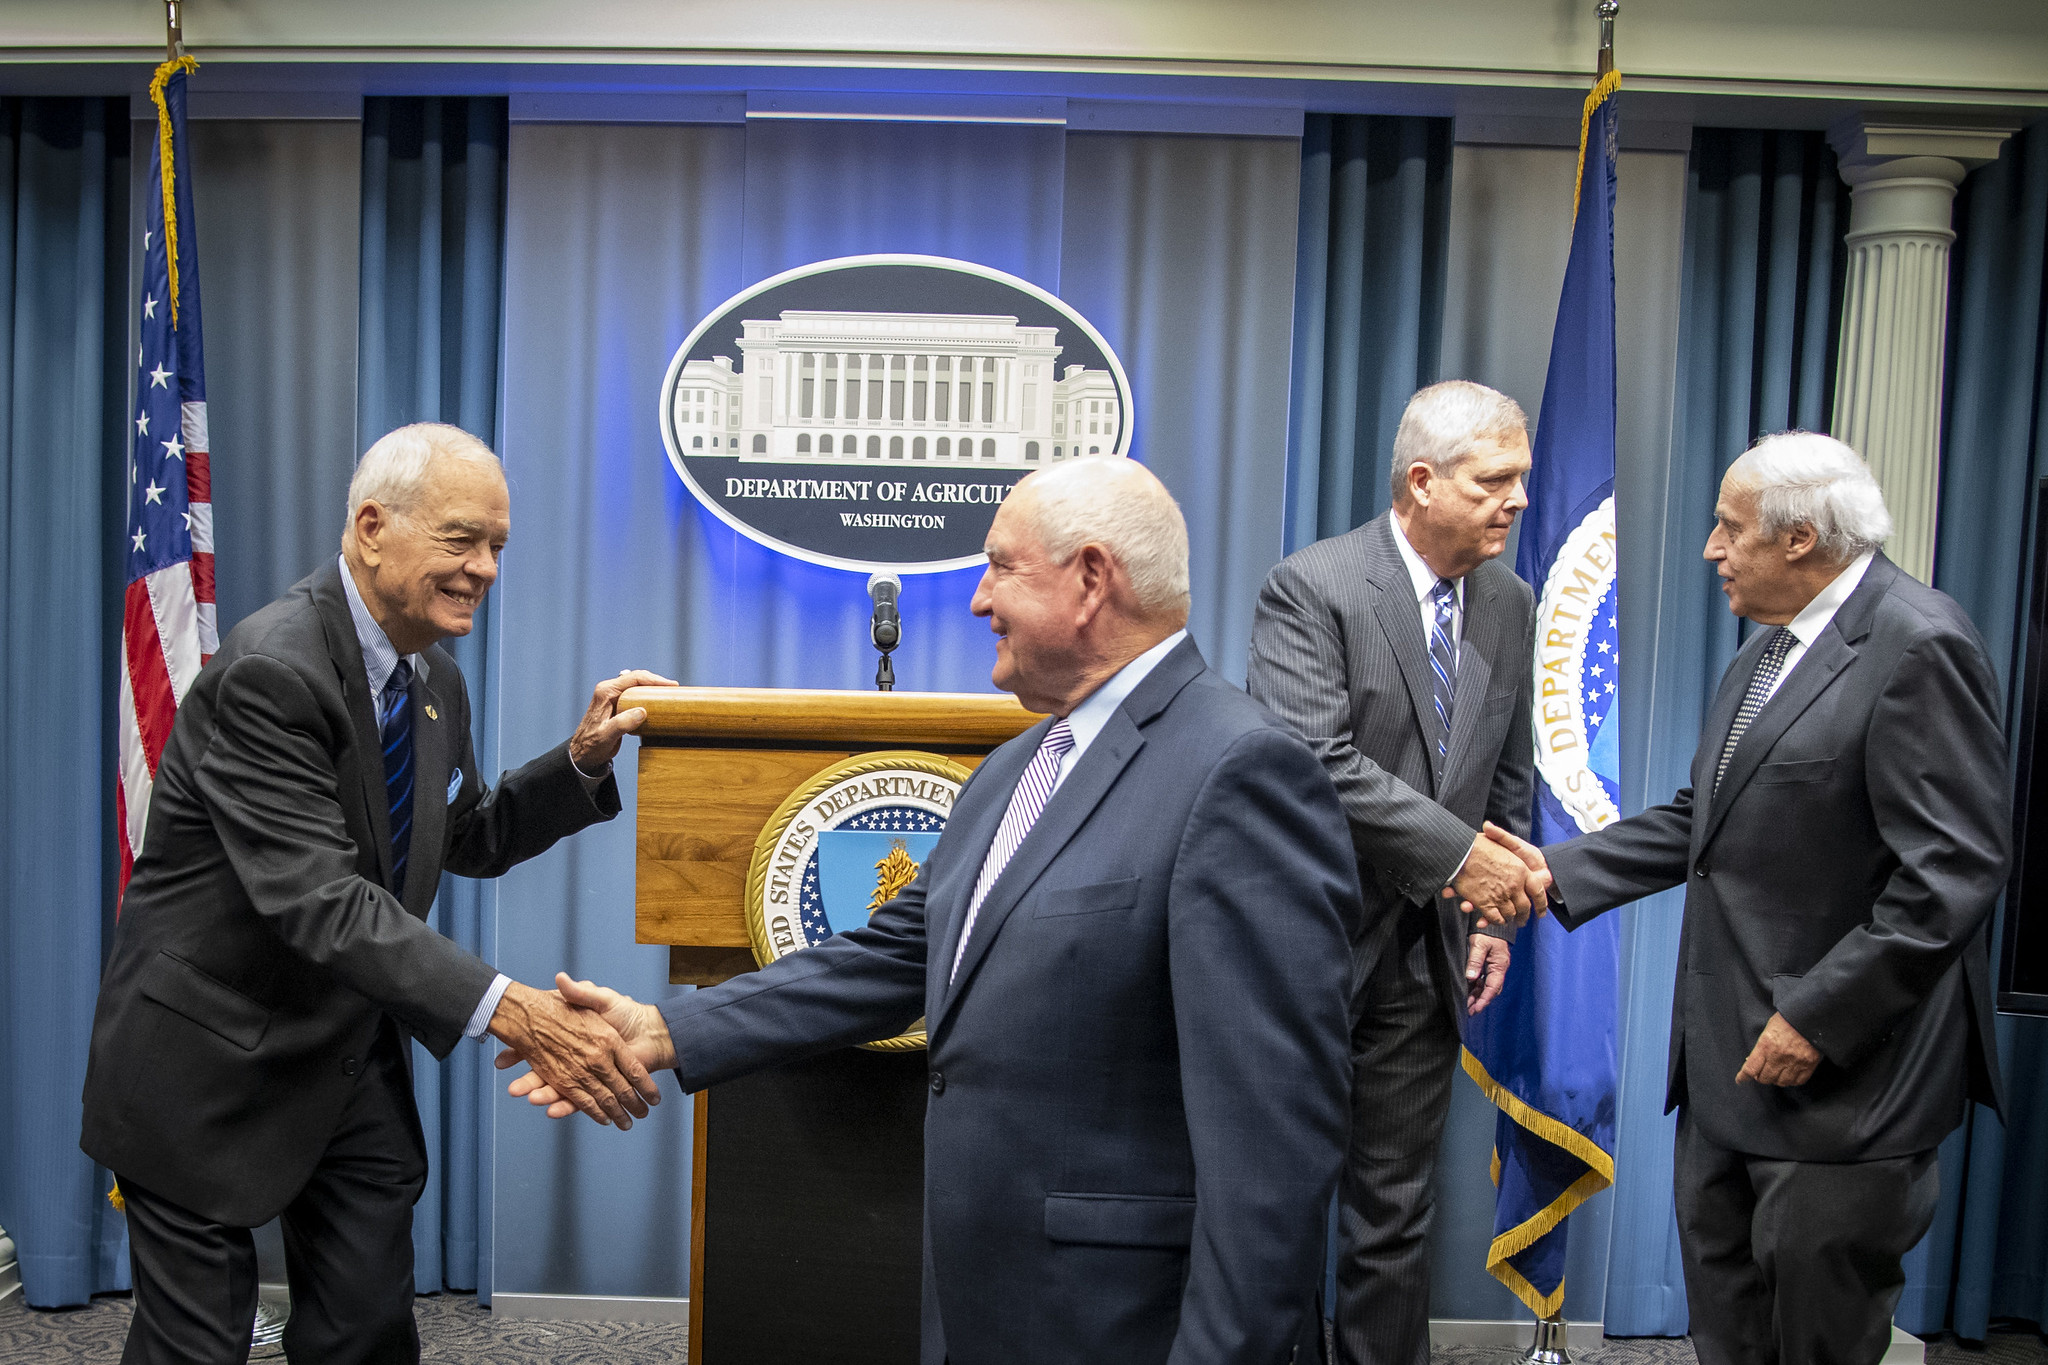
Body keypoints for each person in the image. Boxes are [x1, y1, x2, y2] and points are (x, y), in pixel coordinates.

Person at [507, 456, 1363, 1365]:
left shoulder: (1241, 772)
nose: (976, 600)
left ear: (1089, 579)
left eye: (999, 567)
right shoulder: (1015, 768)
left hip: (1120, 1324)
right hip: (981, 1306)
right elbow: (894, 955)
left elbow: (1273, 1148)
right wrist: (663, 1030)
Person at [82, 423, 675, 1365]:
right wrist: (513, 1009)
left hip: (345, 1061)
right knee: (195, 1349)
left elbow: (464, 832)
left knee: (365, 1335)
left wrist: (577, 762)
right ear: (370, 526)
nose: (484, 567)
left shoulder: (433, 677)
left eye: (497, 548)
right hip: (199, 1070)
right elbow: (322, 898)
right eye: (461, 539)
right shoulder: (273, 670)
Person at [1486, 432, 2008, 1365]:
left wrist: (1817, 1015)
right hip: (1729, 1071)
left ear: (1801, 537)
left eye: (1730, 528)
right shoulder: (1769, 652)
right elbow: (1706, 819)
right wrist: (1552, 871)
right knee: (1728, 1335)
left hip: (1846, 1089)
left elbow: (1953, 872)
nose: (1711, 549)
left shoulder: (1918, 643)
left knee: (1813, 1341)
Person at [1246, 379, 1551, 1365]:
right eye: (1492, 480)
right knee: (1272, 1202)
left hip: (1429, 955)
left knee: (1391, 1214)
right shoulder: (1314, 587)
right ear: (1420, 481)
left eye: (1519, 481)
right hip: (1303, 943)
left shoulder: (1508, 602)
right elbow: (1309, 761)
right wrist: (1462, 860)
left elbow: (1506, 780)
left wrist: (1493, 918)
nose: (1513, 500)